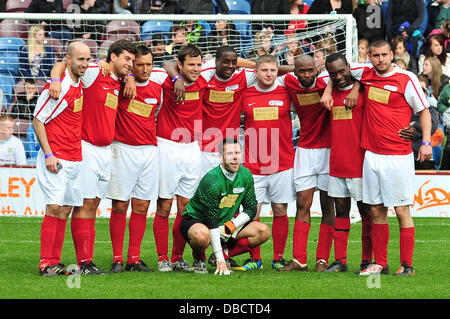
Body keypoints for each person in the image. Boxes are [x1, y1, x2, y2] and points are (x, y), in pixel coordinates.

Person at [324, 39, 432, 276]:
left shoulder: (406, 78)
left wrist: (425, 142)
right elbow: (334, 70)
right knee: (375, 211)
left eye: (384, 55)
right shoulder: (365, 73)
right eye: (375, 55)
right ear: (369, 57)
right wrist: (330, 89)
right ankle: (380, 264)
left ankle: (407, 266)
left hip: (397, 155)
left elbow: (423, 111)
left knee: (402, 210)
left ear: (392, 54)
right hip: (371, 156)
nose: (380, 60)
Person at [49, 39, 137, 275]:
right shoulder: (96, 72)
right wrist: (55, 80)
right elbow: (62, 64)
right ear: (113, 57)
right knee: (84, 204)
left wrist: (127, 77)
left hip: (105, 151)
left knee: (94, 204)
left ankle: (86, 261)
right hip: (86, 147)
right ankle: (84, 263)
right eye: (127, 59)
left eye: (133, 61)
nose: (131, 64)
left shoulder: (119, 80)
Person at [277, 54, 360, 273]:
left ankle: (322, 260)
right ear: (295, 72)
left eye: (310, 70)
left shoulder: (327, 81)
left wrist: (333, 85)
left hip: (328, 152)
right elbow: (271, 69)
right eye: (301, 71)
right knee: (302, 205)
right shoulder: (289, 82)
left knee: (327, 206)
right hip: (303, 151)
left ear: (317, 70)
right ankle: (299, 259)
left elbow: (359, 75)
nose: (306, 75)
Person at [107, 45, 171, 273]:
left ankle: (133, 258)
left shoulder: (159, 84)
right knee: (120, 205)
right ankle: (116, 258)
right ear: (131, 65)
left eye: (148, 64)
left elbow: (172, 67)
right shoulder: (120, 82)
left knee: (142, 205)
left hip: (149, 151)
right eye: (139, 65)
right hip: (122, 149)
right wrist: (130, 76)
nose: (145, 69)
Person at [149, 44, 210, 272]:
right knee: (164, 206)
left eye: (198, 64)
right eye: (191, 64)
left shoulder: (204, 80)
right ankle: (162, 258)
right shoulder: (166, 80)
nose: (195, 69)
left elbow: (233, 61)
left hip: (192, 149)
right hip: (167, 146)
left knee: (186, 209)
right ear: (180, 64)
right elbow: (164, 63)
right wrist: (176, 79)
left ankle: (177, 258)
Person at [32, 42, 90, 277]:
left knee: (65, 209)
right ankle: (46, 262)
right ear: (69, 59)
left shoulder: (80, 80)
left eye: (87, 59)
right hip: (56, 158)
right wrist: (48, 154)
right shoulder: (58, 86)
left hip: (75, 156)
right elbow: (37, 120)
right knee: (54, 207)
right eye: (80, 60)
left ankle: (54, 261)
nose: (85, 64)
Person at [181, 137, 270, 275]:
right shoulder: (212, 180)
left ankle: (226, 254)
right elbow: (211, 221)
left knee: (263, 231)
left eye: (237, 153)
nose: (235, 158)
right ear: (220, 157)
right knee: (201, 236)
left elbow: (251, 208)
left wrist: (232, 225)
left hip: (226, 223)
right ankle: (199, 258)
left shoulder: (246, 175)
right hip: (199, 221)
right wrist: (220, 259)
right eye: (229, 154)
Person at [240, 54, 296, 271]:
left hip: (282, 162)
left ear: (277, 71)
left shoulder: (286, 91)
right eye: (264, 70)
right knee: (252, 211)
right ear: (256, 71)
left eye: (273, 70)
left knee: (280, 209)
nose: (269, 74)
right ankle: (255, 258)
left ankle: (279, 257)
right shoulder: (246, 93)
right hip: (253, 164)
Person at [323, 53, 372, 273]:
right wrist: (328, 85)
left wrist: (357, 87)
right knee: (341, 211)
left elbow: (372, 71)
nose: (339, 76)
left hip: (360, 163)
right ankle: (340, 260)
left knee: (366, 213)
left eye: (342, 71)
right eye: (333, 74)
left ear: (349, 67)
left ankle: (367, 260)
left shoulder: (365, 89)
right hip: (337, 162)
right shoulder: (330, 93)